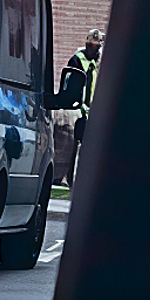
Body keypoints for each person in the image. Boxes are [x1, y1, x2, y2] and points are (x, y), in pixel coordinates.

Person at [64, 29, 104, 188]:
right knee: (73, 147)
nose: (96, 49)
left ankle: (77, 180)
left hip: (87, 111)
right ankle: (71, 179)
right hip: (76, 109)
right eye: (94, 45)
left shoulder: (94, 64)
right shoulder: (78, 61)